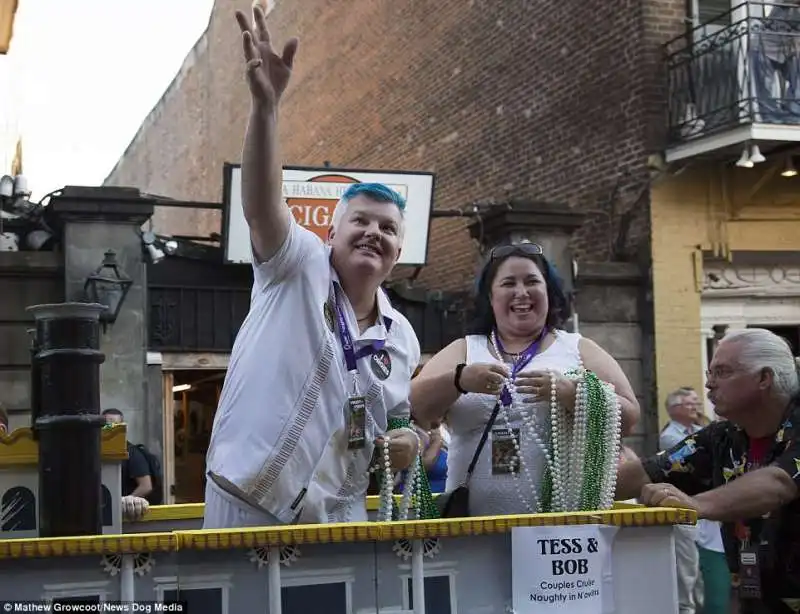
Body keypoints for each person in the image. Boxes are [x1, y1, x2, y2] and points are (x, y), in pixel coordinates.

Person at [203, 5, 421, 528]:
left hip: (338, 518)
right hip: (247, 502)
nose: (375, 233)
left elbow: (398, 419)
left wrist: (411, 439)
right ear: (331, 233)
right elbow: (260, 203)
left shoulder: (403, 337)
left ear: (397, 251)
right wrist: (266, 108)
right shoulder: (296, 265)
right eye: (361, 222)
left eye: (388, 229)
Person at [410, 241, 640, 516]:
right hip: (471, 530)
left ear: (548, 292)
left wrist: (572, 394)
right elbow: (411, 407)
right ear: (490, 297)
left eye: (532, 281)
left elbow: (628, 419)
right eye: (508, 283)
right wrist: (459, 379)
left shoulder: (577, 349)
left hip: (556, 529)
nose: (521, 292)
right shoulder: (465, 349)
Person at [616, 328, 800, 613]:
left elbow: (779, 483)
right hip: (758, 598)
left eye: (723, 372)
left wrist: (694, 504)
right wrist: (557, 496)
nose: (710, 384)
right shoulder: (721, 437)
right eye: (709, 373)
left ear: (764, 378)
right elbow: (648, 471)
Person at [102, 409, 154, 501]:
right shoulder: (96, 452)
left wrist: (124, 503)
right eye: (106, 425)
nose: (110, 429)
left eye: (115, 425)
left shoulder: (132, 453)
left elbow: (146, 486)